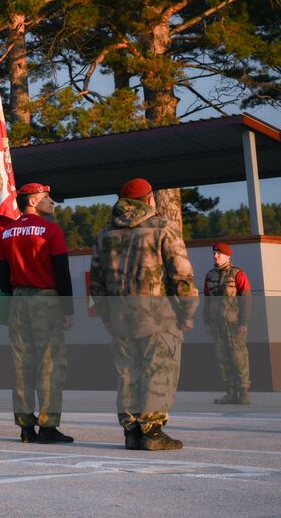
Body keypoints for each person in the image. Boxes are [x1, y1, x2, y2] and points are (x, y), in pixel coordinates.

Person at [89, 178, 197, 451]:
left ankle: (132, 431)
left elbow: (97, 284)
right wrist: (187, 312)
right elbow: (182, 275)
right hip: (157, 315)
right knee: (158, 370)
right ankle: (152, 431)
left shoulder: (104, 235)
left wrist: (107, 317)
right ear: (149, 199)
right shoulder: (163, 229)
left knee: (127, 373)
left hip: (120, 317)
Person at [0, 182, 74, 443]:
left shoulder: (6, 233)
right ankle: (48, 426)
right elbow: (62, 271)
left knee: (20, 365)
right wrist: (67, 308)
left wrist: (6, 309)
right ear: (32, 202)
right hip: (46, 301)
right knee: (50, 364)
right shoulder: (51, 230)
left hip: (18, 302)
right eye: (46, 198)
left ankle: (25, 426)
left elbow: (3, 276)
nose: (52, 202)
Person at [204, 243, 251, 405]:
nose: (215, 255)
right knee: (222, 358)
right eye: (214, 253)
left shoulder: (238, 273)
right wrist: (207, 322)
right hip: (217, 325)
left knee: (239, 358)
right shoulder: (209, 276)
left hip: (234, 324)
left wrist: (243, 322)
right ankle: (230, 393)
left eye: (219, 253)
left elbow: (246, 300)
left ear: (227, 256)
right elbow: (207, 301)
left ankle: (243, 393)